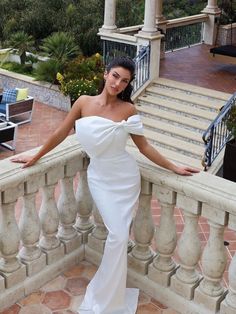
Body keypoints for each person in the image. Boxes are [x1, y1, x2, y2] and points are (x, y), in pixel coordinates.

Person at [11, 56, 199, 314]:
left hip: (125, 177)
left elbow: (144, 147)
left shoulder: (128, 110)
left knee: (119, 236)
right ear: (106, 74)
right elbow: (60, 133)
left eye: (125, 81)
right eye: (115, 76)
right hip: (100, 177)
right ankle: (106, 296)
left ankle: (109, 297)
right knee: (118, 236)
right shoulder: (83, 103)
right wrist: (36, 155)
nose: (118, 83)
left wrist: (174, 167)